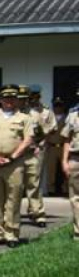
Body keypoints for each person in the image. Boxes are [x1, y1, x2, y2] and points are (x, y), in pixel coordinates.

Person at [0, 85, 34, 247]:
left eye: (12, 98)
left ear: (16, 100)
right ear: (0, 100)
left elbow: (28, 140)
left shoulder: (24, 118)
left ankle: (11, 234)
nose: (9, 101)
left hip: (15, 163)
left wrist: (12, 157)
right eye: (5, 98)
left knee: (13, 199)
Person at [21, 85, 53, 226]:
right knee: (16, 183)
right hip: (18, 151)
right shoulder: (18, 110)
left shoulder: (40, 111)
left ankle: (37, 213)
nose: (32, 98)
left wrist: (40, 143)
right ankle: (13, 214)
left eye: (35, 96)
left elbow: (48, 130)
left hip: (35, 149)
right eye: (31, 96)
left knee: (34, 182)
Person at [61, 88, 79, 240]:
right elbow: (67, 139)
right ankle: (78, 231)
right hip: (75, 159)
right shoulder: (73, 116)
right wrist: (64, 161)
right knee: (75, 197)